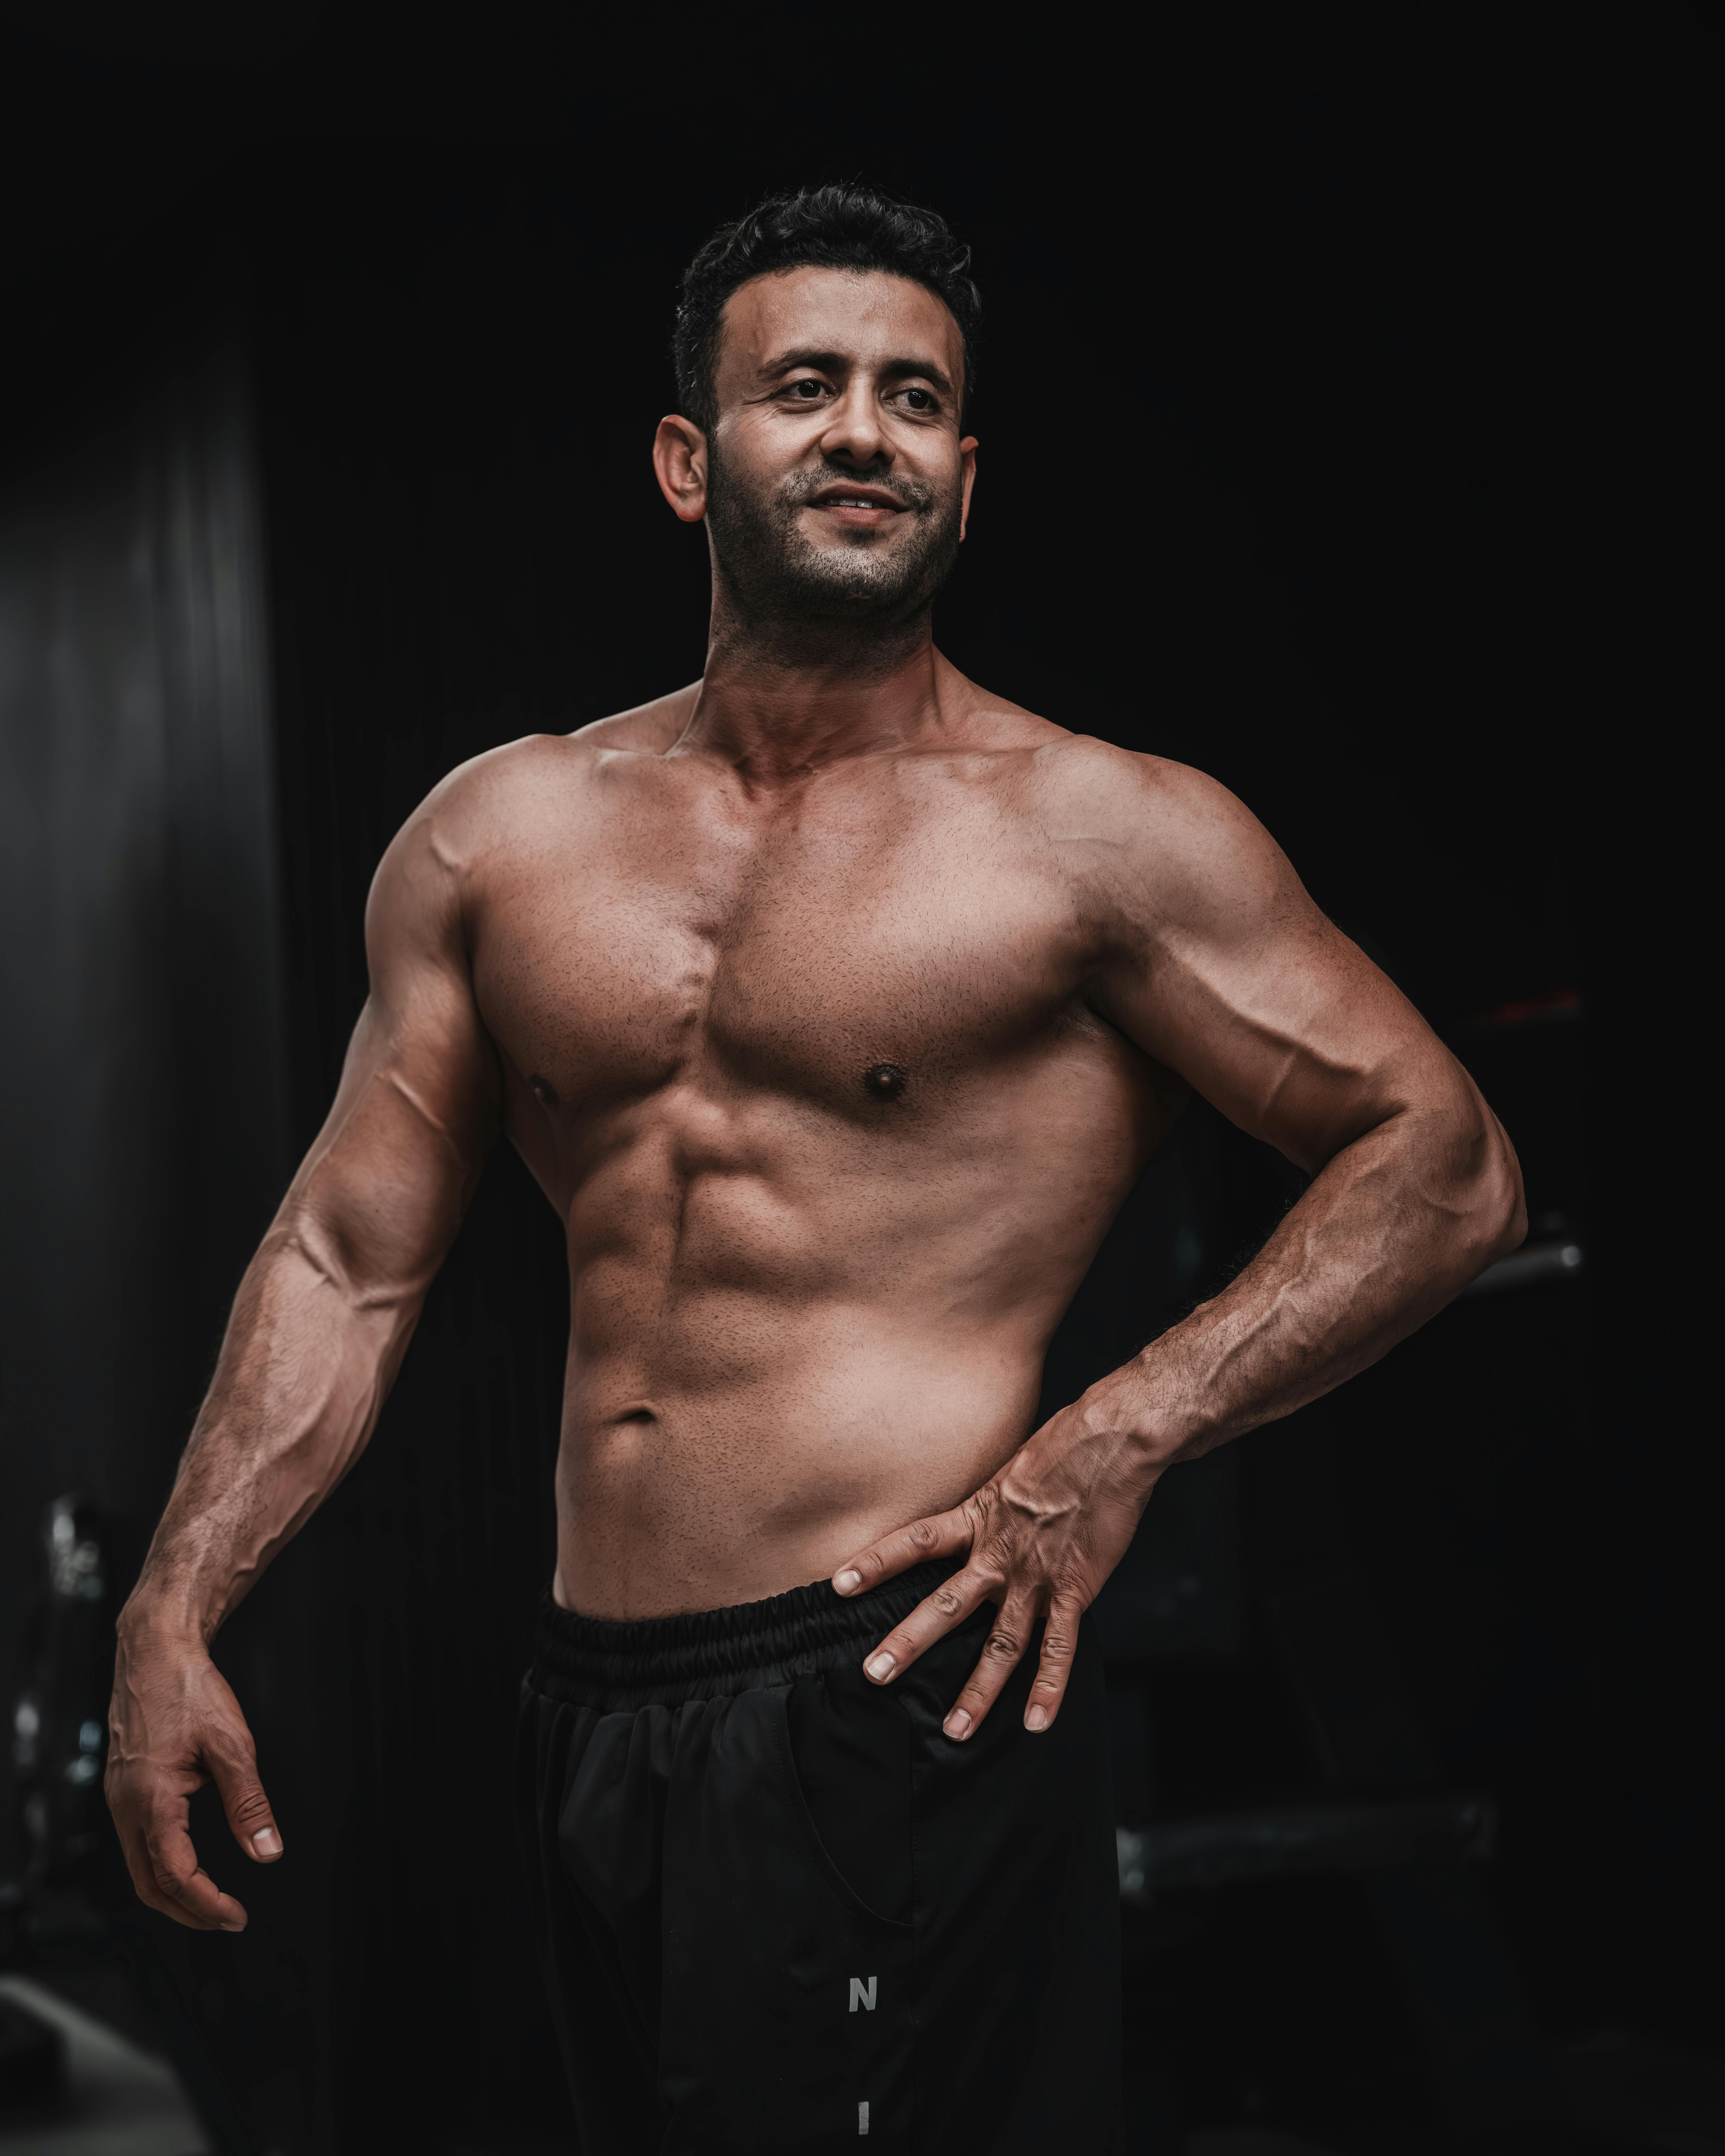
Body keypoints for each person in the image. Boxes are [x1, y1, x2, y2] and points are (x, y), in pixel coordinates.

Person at [104, 184, 1524, 2153]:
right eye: (806, 386)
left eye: (917, 399)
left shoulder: (1099, 837)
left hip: (887, 1697)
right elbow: (348, 1256)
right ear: (691, 463)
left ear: (966, 472)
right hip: (591, 1716)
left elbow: (1445, 1163)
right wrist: (175, 1609)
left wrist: (1107, 1443)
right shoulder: (499, 839)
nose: (867, 429)